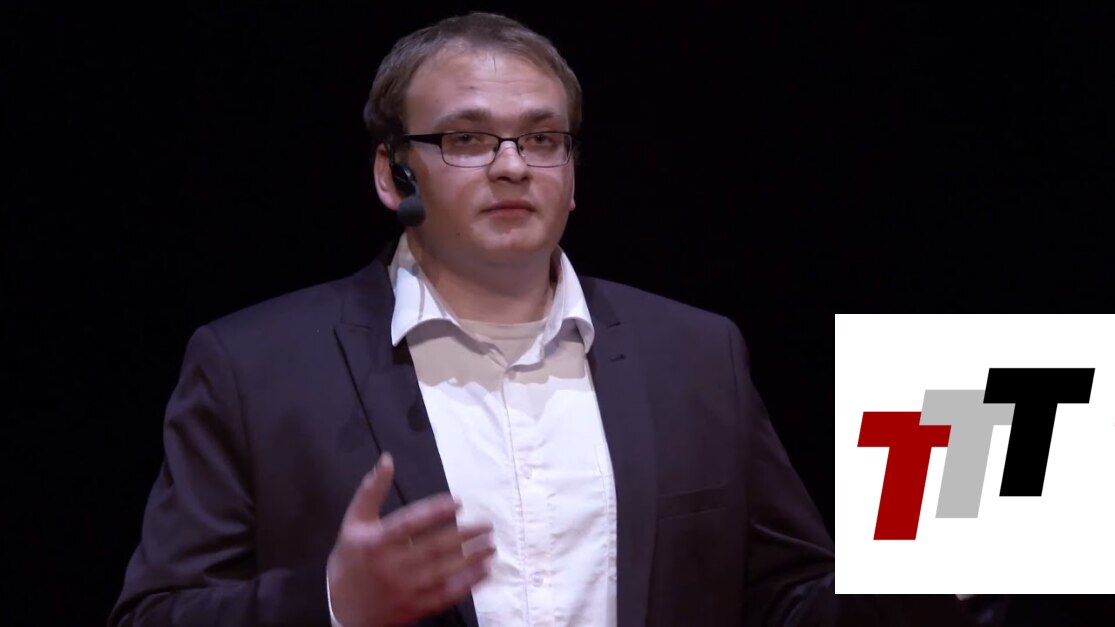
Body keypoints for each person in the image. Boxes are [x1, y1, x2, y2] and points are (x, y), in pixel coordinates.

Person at [109, 11, 1002, 627]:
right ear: (392, 173)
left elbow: (787, 600)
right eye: (466, 139)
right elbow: (153, 614)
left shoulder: (695, 353)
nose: (512, 165)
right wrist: (335, 604)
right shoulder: (254, 364)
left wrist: (940, 568)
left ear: (571, 172)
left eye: (541, 138)